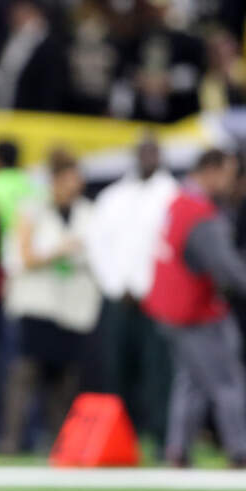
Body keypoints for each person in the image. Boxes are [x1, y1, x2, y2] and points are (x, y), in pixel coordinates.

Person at [143, 148, 246, 468]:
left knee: (192, 381)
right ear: (211, 170)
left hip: (170, 307)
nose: (231, 182)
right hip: (195, 310)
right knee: (228, 379)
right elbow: (226, 268)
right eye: (227, 174)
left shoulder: (178, 202)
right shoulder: (200, 213)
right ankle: (240, 451)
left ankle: (178, 450)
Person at [0, 149, 100, 453]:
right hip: (36, 303)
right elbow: (25, 256)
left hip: (72, 307)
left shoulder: (87, 212)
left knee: (64, 377)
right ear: (55, 180)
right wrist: (58, 250)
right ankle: (11, 440)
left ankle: (62, 444)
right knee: (26, 373)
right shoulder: (32, 209)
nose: (74, 186)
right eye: (68, 180)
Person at [85, 136, 176, 444]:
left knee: (158, 369)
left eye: (153, 153)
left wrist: (145, 286)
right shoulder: (113, 197)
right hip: (117, 296)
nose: (148, 158)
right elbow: (98, 245)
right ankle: (122, 436)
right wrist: (116, 284)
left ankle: (161, 435)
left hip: (156, 298)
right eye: (143, 153)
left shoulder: (171, 195)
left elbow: (168, 249)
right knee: (116, 368)